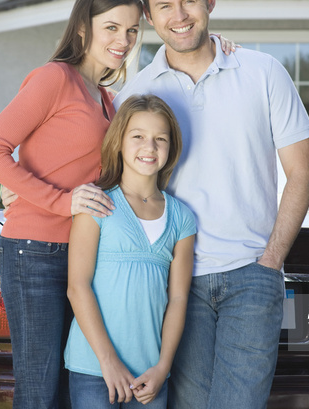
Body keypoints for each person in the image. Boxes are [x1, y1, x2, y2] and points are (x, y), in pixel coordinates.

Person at [113, 0, 309, 409]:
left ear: (210, 1)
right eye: (164, 6)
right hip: (172, 280)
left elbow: (302, 172)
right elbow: (118, 186)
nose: (179, 16)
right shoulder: (136, 94)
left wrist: (271, 261)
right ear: (148, 15)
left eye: (189, 1)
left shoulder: (263, 73)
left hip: (251, 274)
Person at [0, 0, 143, 409]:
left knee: (74, 387)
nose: (123, 40)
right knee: (40, 387)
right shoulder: (55, 78)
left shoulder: (108, 99)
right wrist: (58, 200)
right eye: (111, 28)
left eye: (132, 30)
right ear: (83, 28)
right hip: (35, 252)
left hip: (83, 256)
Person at [64, 94, 195, 409]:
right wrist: (108, 362)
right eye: (138, 137)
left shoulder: (181, 217)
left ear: (171, 147)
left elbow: (178, 299)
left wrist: (163, 367)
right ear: (119, 142)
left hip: (149, 374)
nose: (149, 147)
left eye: (160, 139)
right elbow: (77, 287)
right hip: (94, 368)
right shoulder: (96, 205)